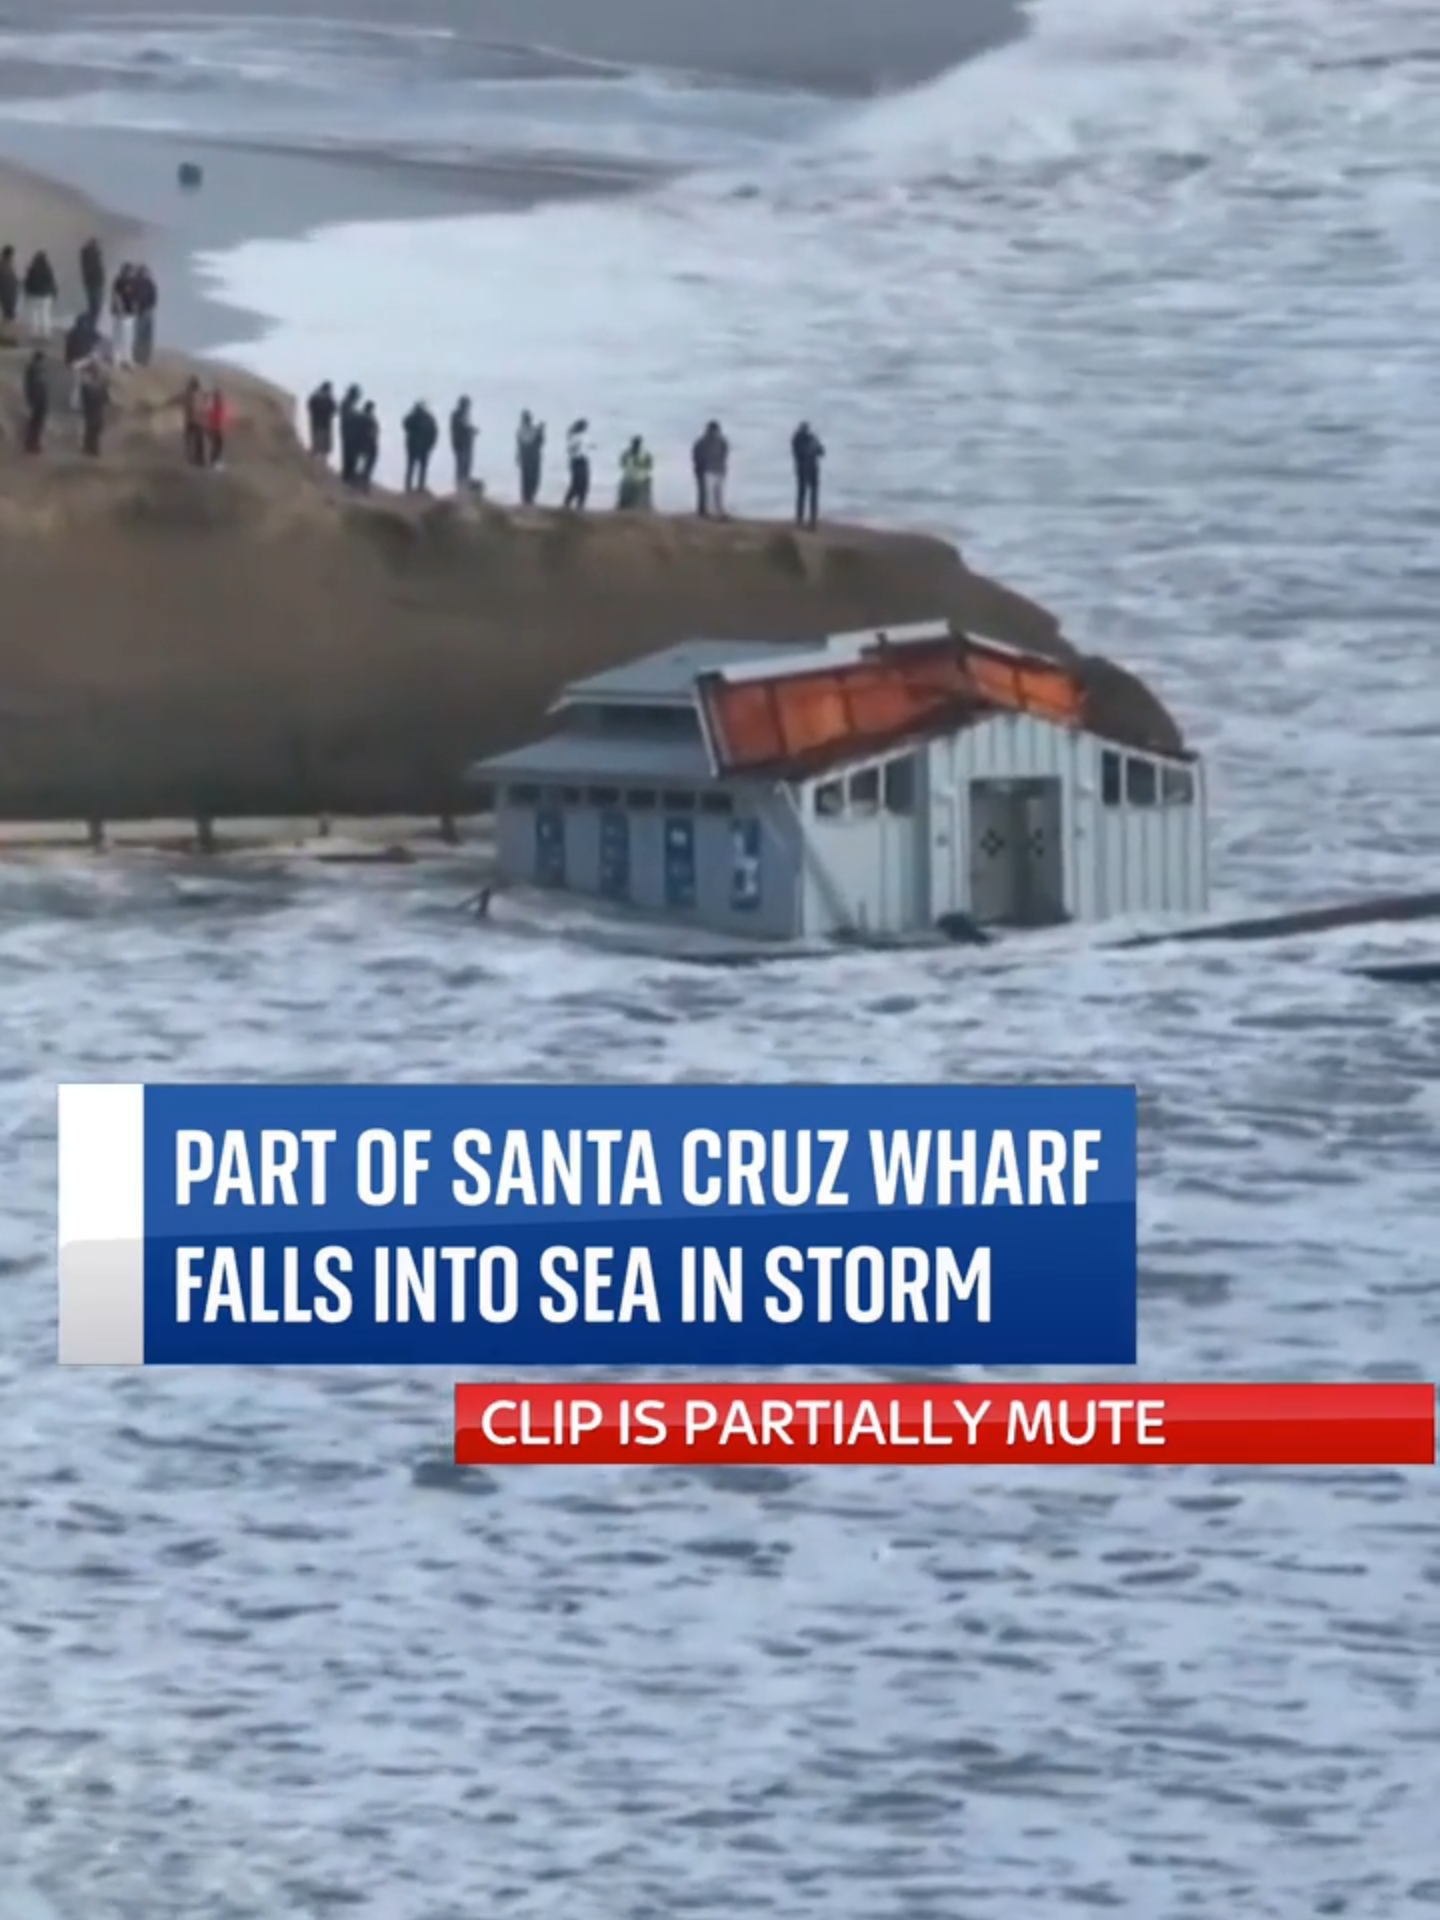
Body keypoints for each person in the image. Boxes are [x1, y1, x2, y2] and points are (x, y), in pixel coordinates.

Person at [791, 421, 825, 529]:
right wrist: (811, 449)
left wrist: (815, 448)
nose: (805, 431)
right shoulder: (797, 439)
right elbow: (799, 453)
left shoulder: (810, 438)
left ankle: (812, 520)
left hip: (812, 469)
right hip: (803, 469)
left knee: (810, 495)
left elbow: (822, 452)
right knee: (803, 494)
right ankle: (801, 520)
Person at [401, 400, 439, 493]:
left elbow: (434, 432)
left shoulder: (429, 418)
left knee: (422, 468)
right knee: (411, 467)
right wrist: (415, 416)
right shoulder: (412, 417)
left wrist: (431, 444)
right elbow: (405, 425)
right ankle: (408, 488)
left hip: (424, 447)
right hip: (413, 446)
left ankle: (420, 487)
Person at [694, 419, 728, 517]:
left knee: (715, 493)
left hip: (714, 470)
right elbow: (697, 456)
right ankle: (711, 511)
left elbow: (724, 455)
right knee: (710, 493)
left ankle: (715, 510)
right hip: (710, 470)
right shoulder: (720, 441)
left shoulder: (702, 442)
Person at [22, 250, 57, 339]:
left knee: (34, 314)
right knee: (45, 314)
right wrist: (54, 294)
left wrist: (26, 293)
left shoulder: (32, 269)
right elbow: (52, 282)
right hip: (46, 295)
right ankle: (46, 332)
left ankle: (34, 332)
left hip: (34, 295)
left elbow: (27, 282)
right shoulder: (48, 269)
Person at [78, 360, 109, 457]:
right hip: (98, 410)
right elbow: (106, 399)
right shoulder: (102, 385)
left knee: (89, 429)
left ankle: (89, 448)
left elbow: (84, 400)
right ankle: (94, 448)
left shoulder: (85, 386)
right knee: (95, 430)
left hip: (90, 410)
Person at [109, 264, 138, 367]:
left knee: (128, 336)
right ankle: (118, 358)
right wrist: (119, 308)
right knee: (120, 336)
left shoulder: (132, 282)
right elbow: (116, 296)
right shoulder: (120, 281)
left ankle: (126, 358)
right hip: (122, 313)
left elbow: (134, 297)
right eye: (130, 271)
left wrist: (135, 307)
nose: (132, 273)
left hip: (129, 313)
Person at [616, 435, 654, 510]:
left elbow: (649, 466)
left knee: (643, 500)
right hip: (630, 478)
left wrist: (640, 465)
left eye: (637, 443)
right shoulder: (627, 453)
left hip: (640, 479)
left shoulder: (645, 454)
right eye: (635, 443)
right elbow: (622, 464)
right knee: (624, 498)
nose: (636, 445)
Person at [22, 350, 49, 453]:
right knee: (36, 425)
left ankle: (31, 444)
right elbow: (38, 388)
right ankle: (32, 445)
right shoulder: (37, 371)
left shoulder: (32, 369)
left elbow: (29, 387)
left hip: (35, 400)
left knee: (34, 424)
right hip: (38, 402)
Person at [448, 396, 477, 492]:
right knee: (461, 466)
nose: (468, 408)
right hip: (460, 444)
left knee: (467, 465)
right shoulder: (456, 415)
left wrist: (472, 431)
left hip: (467, 443)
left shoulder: (465, 415)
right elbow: (460, 428)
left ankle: (464, 487)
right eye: (467, 405)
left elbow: (465, 427)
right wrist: (470, 430)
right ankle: (460, 488)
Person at [515, 409, 544, 504]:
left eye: (528, 418)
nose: (528, 420)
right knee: (527, 478)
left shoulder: (532, 429)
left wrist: (541, 432)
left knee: (534, 479)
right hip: (528, 456)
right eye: (526, 418)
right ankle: (526, 499)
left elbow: (540, 443)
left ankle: (529, 497)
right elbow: (523, 443)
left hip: (533, 456)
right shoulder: (521, 430)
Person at [131, 265, 158, 366]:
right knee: (141, 336)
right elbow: (134, 298)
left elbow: (154, 299)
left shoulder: (149, 284)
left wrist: (149, 309)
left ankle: (144, 358)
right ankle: (139, 357)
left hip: (147, 312)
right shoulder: (137, 284)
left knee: (145, 337)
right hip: (141, 313)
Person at [563, 418, 592, 509]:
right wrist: (576, 448)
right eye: (585, 426)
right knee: (577, 484)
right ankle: (567, 502)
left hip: (583, 461)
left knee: (584, 484)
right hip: (577, 461)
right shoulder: (575, 437)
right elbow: (570, 449)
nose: (586, 428)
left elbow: (586, 447)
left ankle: (580, 505)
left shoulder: (583, 436)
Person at [306, 380, 338, 462]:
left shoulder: (316, 396)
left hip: (318, 421)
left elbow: (309, 406)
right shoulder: (327, 398)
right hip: (323, 423)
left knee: (317, 440)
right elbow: (334, 409)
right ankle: (318, 458)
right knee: (321, 442)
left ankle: (315, 455)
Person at [338, 384, 363, 484]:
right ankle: (347, 475)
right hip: (348, 432)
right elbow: (348, 417)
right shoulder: (346, 403)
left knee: (350, 454)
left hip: (349, 432)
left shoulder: (348, 403)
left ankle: (349, 474)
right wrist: (357, 417)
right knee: (348, 454)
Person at [181, 376, 207, 465]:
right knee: (195, 441)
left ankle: (195, 459)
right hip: (195, 421)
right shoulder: (196, 394)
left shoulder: (190, 394)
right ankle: (196, 459)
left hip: (194, 421)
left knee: (193, 441)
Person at [80, 236, 105, 322]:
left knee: (94, 306)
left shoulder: (89, 254)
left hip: (93, 283)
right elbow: (91, 268)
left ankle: (91, 324)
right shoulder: (92, 254)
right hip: (94, 283)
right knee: (96, 306)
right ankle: (91, 324)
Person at [357, 401, 379, 488]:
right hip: (369, 444)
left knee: (365, 464)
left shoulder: (360, 417)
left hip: (363, 444)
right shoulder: (369, 418)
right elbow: (372, 432)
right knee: (368, 465)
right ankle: (363, 482)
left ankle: (362, 481)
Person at [205, 386, 229, 469]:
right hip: (216, 428)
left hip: (217, 428)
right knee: (217, 446)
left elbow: (220, 416)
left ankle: (214, 461)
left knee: (217, 446)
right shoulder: (216, 405)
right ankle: (214, 462)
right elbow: (213, 416)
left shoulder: (216, 404)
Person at [0, 245, 17, 330]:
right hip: (7, 292)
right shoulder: (5, 264)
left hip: (8, 292)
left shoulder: (5, 264)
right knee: (8, 313)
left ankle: (5, 331)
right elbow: (7, 279)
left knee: (8, 313)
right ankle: (5, 332)